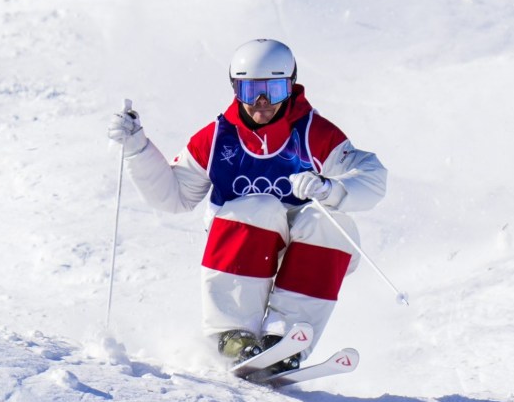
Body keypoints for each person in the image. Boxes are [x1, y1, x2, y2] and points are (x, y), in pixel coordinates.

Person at [108, 38, 387, 373]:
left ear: (291, 85)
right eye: (250, 90)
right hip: (242, 245)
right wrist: (138, 150)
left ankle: (284, 339)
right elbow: (174, 197)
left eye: (275, 89)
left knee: (329, 223)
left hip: (304, 249)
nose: (262, 102)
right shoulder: (216, 139)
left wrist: (331, 189)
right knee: (259, 208)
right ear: (235, 88)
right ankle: (233, 333)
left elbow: (373, 177)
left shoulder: (315, 135)